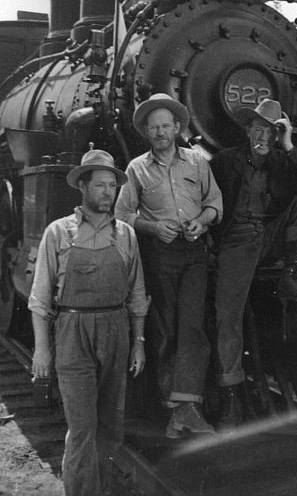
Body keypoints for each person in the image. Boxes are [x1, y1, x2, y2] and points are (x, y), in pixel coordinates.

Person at [29, 149, 149, 496]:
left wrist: (138, 342)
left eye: (113, 185)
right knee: (82, 428)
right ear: (83, 187)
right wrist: (42, 350)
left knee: (111, 426)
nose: (108, 192)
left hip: (116, 328)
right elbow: (39, 299)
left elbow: (137, 295)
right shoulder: (58, 232)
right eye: (100, 186)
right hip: (72, 331)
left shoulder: (126, 234)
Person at [114, 93, 223, 439]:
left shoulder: (197, 162)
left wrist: (203, 221)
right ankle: (172, 409)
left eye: (166, 125)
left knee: (192, 326)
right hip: (158, 255)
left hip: (193, 253)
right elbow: (122, 214)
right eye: (154, 127)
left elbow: (215, 203)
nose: (160, 132)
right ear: (146, 132)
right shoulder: (136, 168)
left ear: (177, 127)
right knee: (163, 329)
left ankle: (187, 408)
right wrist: (152, 227)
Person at [209, 98, 297, 430]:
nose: (263, 137)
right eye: (258, 129)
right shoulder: (224, 161)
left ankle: (290, 277)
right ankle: (230, 398)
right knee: (227, 316)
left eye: (270, 132)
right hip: (236, 241)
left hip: (270, 236)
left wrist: (288, 147)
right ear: (247, 129)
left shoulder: (281, 160)